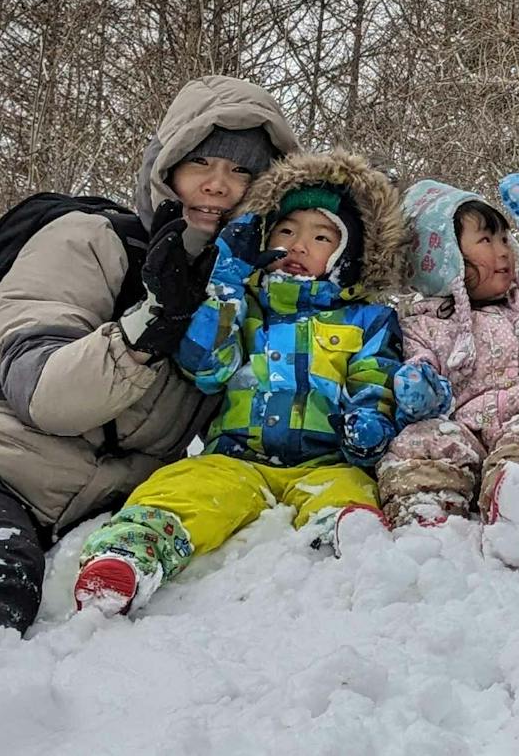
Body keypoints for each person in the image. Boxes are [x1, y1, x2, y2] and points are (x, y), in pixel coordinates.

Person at [0, 76, 298, 643]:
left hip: (91, 506)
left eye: (243, 171)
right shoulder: (87, 241)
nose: (219, 186)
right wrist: (151, 323)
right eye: (202, 163)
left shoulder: (248, 292)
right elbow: (45, 396)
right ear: (166, 169)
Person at [72, 149, 421, 614]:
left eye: (321, 237)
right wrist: (226, 286)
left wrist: (369, 420)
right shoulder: (246, 304)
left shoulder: (368, 319)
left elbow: (374, 376)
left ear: (347, 257)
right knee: (186, 488)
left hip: (325, 462)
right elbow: (206, 366)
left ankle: (349, 548)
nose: (298, 245)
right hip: (235, 458)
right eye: (286, 230)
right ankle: (128, 555)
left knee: (348, 497)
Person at [375, 175, 519, 568]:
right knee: (423, 440)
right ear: (444, 256)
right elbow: (418, 363)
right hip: (460, 422)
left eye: (504, 239)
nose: (503, 251)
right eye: (486, 240)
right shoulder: (421, 322)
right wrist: (420, 389)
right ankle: (424, 512)